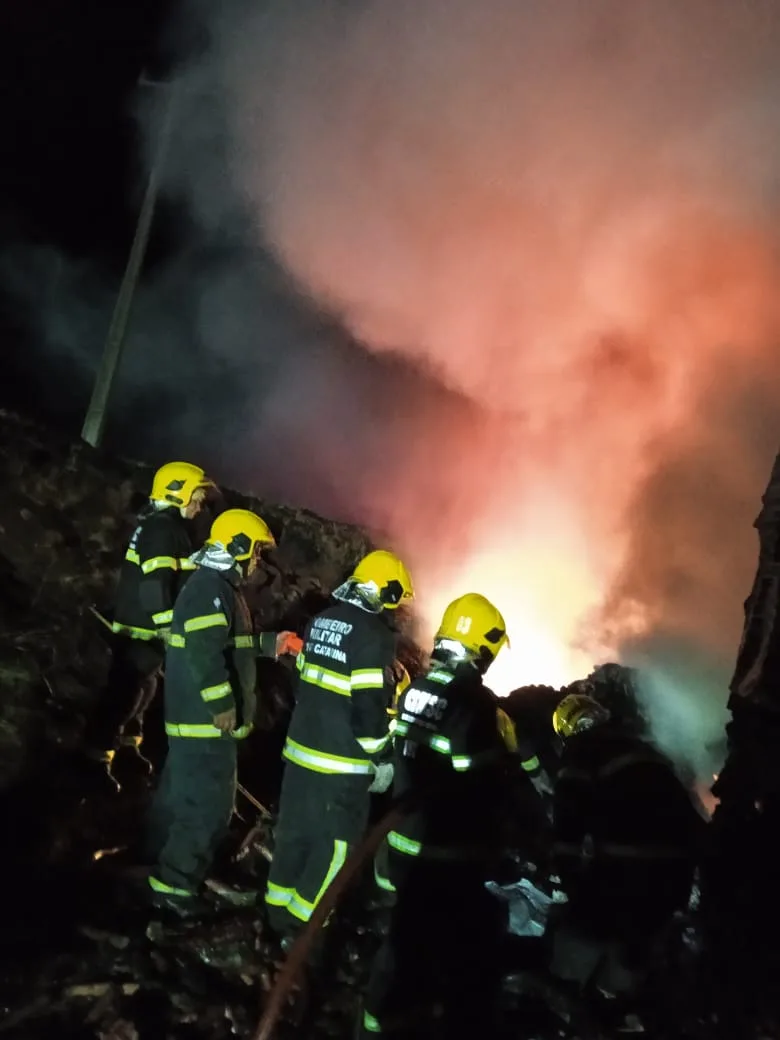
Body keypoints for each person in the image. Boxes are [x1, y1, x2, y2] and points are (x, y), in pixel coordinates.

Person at [360, 593, 550, 1039]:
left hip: (402, 841)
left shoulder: (417, 689)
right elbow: (481, 782)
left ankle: (375, 1022)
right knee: (449, 948)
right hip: (445, 851)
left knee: (402, 937)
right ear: (480, 647)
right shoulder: (474, 701)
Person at [146, 508, 300, 917]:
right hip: (205, 723)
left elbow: (228, 644)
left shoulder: (213, 588)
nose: (256, 565)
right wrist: (222, 705)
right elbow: (204, 652)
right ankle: (174, 890)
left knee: (179, 797)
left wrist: (271, 644)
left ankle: (155, 864)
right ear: (237, 547)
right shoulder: (211, 589)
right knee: (207, 807)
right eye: (254, 555)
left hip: (190, 720)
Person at [264, 549, 414, 948]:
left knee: (293, 836)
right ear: (385, 591)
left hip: (299, 754)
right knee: (335, 850)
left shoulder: (321, 620)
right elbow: (368, 711)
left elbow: (302, 684)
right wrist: (382, 755)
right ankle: (302, 930)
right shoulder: (374, 637)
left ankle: (276, 915)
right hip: (340, 767)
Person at [548, 693, 703, 1024]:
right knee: (645, 939)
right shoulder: (645, 749)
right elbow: (689, 813)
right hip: (677, 870)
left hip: (627, 869)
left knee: (590, 931)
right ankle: (649, 1009)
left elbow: (568, 822)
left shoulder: (581, 750)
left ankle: (589, 1008)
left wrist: (570, 877)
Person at [86, 461, 214, 787]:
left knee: (144, 690)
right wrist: (167, 626)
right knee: (125, 694)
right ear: (177, 494)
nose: (199, 506)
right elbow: (153, 583)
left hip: (143, 628)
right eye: (196, 498)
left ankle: (127, 750)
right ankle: (93, 758)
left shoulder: (163, 527)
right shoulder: (163, 530)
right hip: (142, 629)